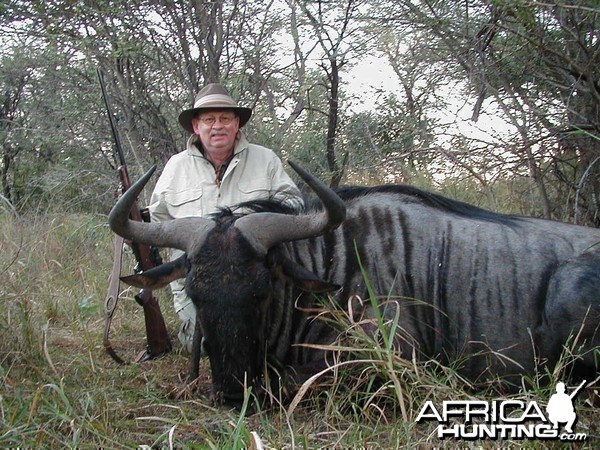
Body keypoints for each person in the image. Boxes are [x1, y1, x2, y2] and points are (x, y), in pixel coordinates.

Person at [148, 83, 303, 352]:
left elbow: (294, 205)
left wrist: (254, 227)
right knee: (210, 345)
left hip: (254, 278)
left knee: (268, 343)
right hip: (201, 283)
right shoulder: (176, 167)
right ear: (196, 126)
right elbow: (158, 222)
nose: (217, 126)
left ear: (237, 124)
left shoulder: (265, 159)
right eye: (209, 119)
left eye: (225, 118)